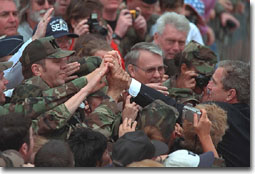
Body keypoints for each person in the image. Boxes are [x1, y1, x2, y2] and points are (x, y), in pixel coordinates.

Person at [153, 12, 190, 77]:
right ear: (156, 38)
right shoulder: (142, 61)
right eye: (171, 41)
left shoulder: (189, 66)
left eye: (181, 43)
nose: (176, 48)